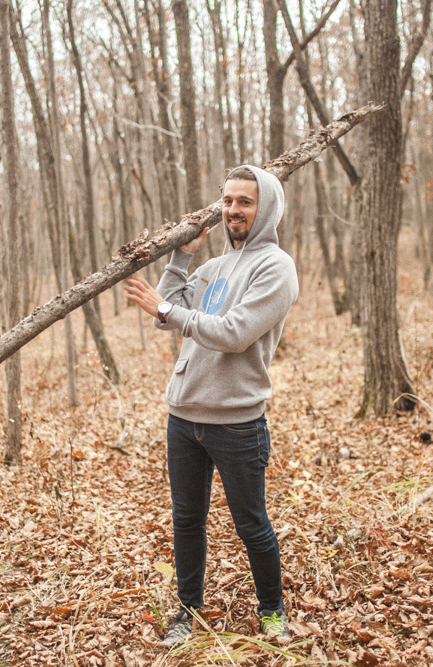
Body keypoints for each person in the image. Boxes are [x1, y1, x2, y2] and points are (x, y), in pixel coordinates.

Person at [124, 165, 298, 647]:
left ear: (266, 207)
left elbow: (233, 333)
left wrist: (165, 308)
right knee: (186, 520)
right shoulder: (215, 267)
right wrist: (180, 258)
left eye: (244, 201)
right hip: (183, 418)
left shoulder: (276, 267)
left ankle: (272, 613)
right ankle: (187, 613)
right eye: (227, 201)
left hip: (237, 423)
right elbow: (171, 311)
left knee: (251, 524)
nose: (233, 210)